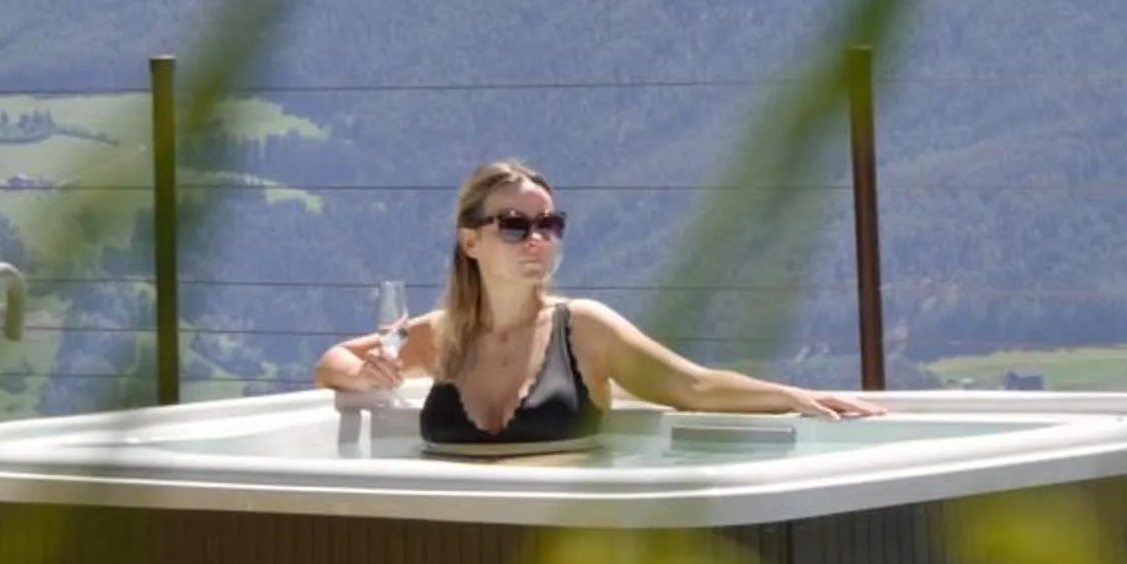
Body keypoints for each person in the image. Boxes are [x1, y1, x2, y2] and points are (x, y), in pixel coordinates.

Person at [313, 159, 886, 442]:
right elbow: (335, 361)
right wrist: (362, 378)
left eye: (549, 224)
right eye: (513, 226)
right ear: (470, 241)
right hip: (453, 541)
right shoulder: (446, 335)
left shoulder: (582, 329)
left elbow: (691, 387)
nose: (536, 238)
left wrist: (791, 396)